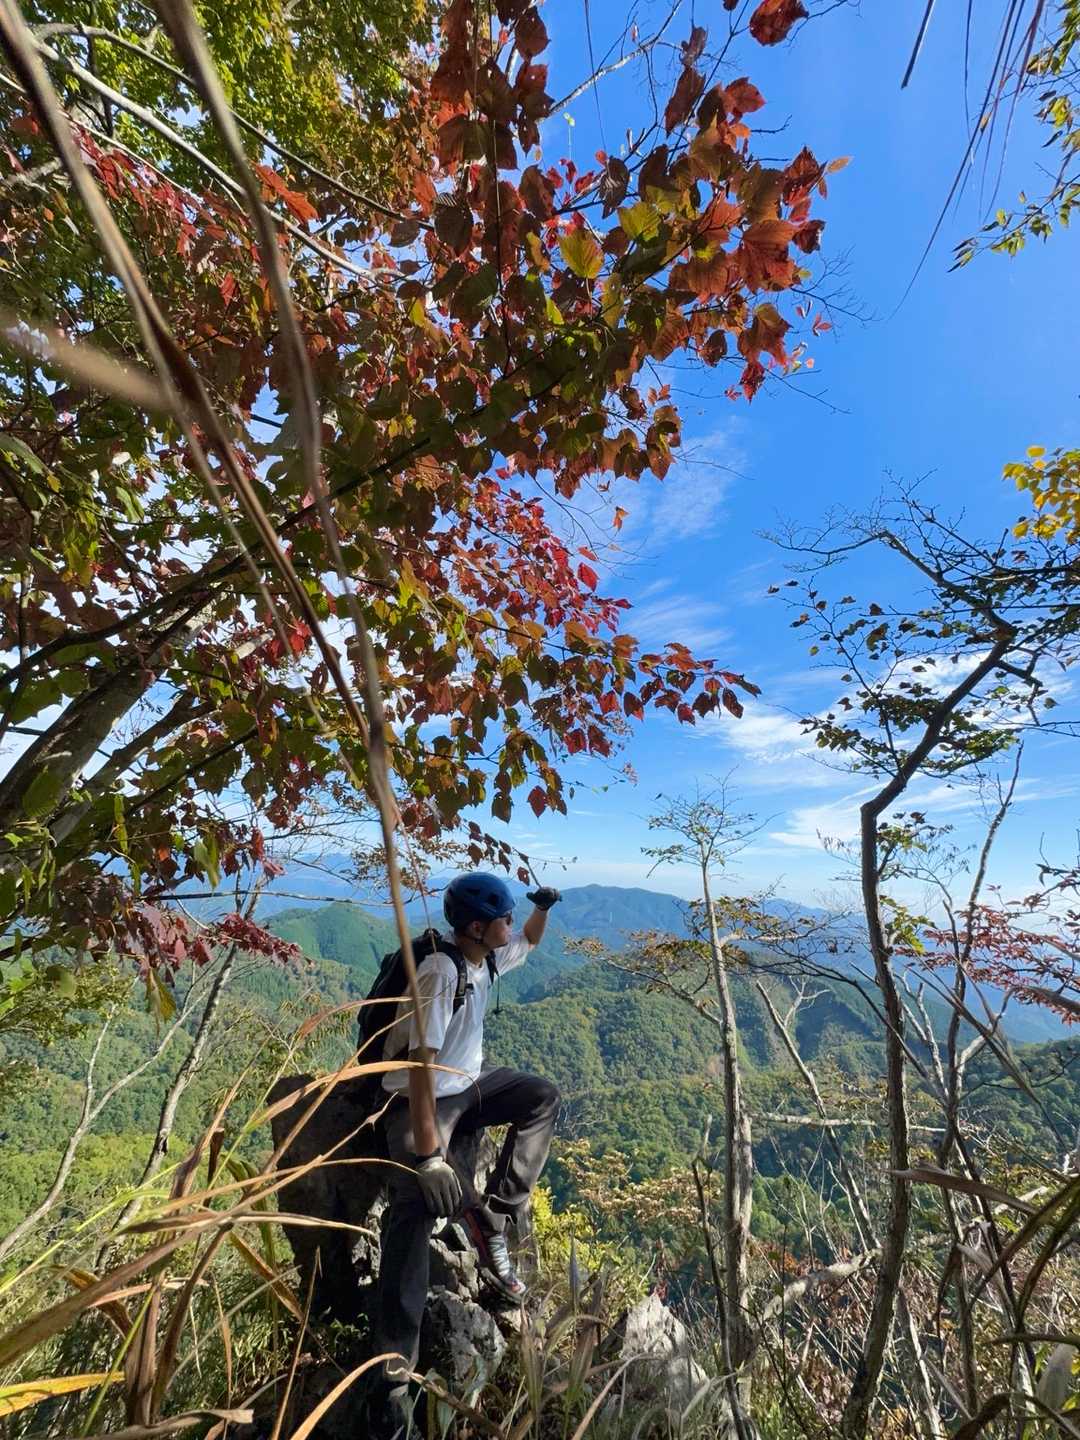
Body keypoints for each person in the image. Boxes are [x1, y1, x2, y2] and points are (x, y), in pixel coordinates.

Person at [369, 872, 562, 1434]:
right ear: (476, 928)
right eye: (503, 918)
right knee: (415, 1202)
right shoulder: (441, 972)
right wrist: (430, 1156)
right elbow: (419, 1069)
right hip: (419, 1095)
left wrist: (542, 908)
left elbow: (530, 939)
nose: (511, 924)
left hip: (470, 1084)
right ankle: (392, 1373)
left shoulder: (487, 957)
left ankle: (492, 1218)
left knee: (542, 1097)